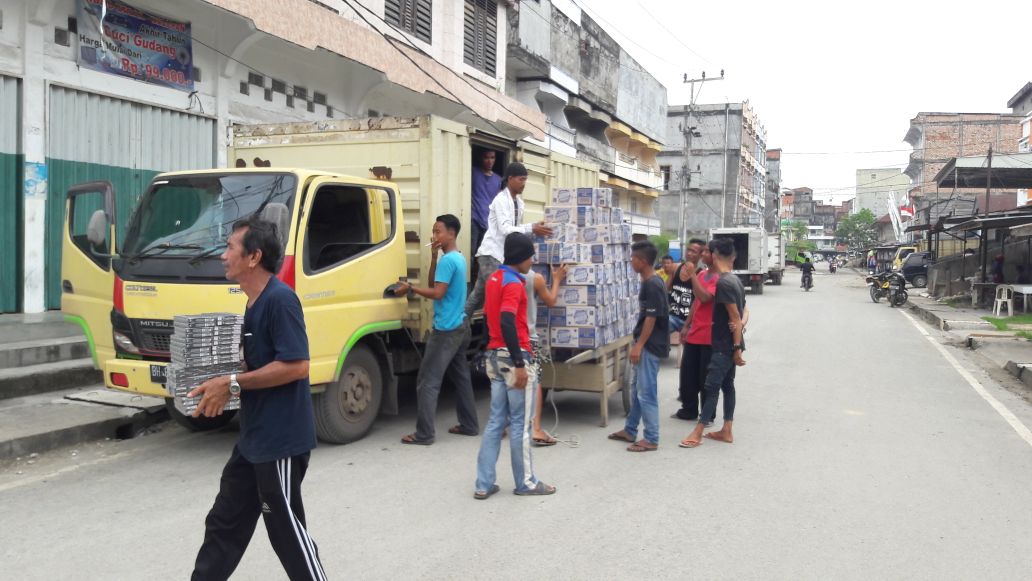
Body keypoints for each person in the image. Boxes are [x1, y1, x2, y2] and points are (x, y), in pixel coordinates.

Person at [188, 216, 327, 581]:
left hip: (279, 442)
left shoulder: (281, 301)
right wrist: (219, 376)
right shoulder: (252, 303)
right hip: (254, 440)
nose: (223, 255)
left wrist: (231, 384)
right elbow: (260, 363)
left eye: (231, 247)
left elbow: (296, 366)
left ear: (253, 257)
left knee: (287, 535)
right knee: (224, 522)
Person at [474, 233, 556, 498]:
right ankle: (527, 482)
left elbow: (490, 318)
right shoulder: (513, 283)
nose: (532, 261)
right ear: (521, 256)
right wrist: (520, 363)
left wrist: (492, 351)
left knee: (496, 422)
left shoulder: (494, 279)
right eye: (530, 256)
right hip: (514, 357)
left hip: (494, 357)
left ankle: (483, 483)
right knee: (521, 424)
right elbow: (508, 321)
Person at [394, 214, 479, 445]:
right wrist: (432, 257)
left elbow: (437, 293)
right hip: (460, 325)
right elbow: (434, 283)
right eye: (433, 232)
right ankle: (470, 425)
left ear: (451, 233)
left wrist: (410, 288)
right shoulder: (457, 258)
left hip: (446, 330)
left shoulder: (449, 261)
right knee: (461, 377)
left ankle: (424, 434)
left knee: (427, 381)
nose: (434, 236)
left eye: (438, 231)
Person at [680, 237, 746, 449]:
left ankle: (698, 432)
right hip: (729, 343)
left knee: (712, 385)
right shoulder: (735, 280)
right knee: (727, 385)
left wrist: (736, 348)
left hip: (723, 345)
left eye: (708, 251)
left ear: (715, 255)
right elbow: (744, 313)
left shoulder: (724, 282)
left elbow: (735, 317)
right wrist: (739, 339)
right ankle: (727, 429)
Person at [465, 162, 552, 317]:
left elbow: (516, 230)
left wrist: (534, 228)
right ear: (510, 179)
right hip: (491, 254)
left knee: (477, 296)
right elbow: (506, 229)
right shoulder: (500, 200)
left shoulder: (520, 203)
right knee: (496, 296)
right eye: (521, 179)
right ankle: (484, 332)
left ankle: (460, 324)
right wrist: (531, 228)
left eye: (525, 180)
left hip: (500, 256)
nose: (524, 183)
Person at [608, 240, 669, 452]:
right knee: (636, 391)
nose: (630, 261)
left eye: (633, 258)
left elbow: (651, 319)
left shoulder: (652, 284)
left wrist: (639, 345)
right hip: (646, 343)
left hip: (650, 346)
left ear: (642, 261)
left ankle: (651, 438)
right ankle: (630, 429)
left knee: (646, 392)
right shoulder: (650, 281)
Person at [674, 242, 718, 422]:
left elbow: (705, 297)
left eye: (706, 251)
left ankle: (706, 415)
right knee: (688, 375)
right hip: (694, 333)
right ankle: (688, 409)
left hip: (709, 336)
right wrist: (686, 326)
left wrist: (692, 275)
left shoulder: (718, 278)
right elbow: (695, 303)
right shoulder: (702, 275)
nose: (702, 254)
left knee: (705, 378)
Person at [526, 263, 569, 447]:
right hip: (528, 337)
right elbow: (551, 301)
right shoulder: (534, 278)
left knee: (505, 380)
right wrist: (557, 279)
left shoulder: (499, 277)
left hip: (504, 339)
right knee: (535, 381)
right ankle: (536, 427)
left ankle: (502, 425)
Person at [667, 239, 706, 334]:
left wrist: (692, 274)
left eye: (693, 252)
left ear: (701, 255)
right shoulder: (676, 268)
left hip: (691, 321)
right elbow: (664, 289)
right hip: (672, 317)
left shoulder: (701, 274)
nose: (689, 253)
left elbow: (700, 299)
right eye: (688, 250)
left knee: (690, 347)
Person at [471, 150, 502, 259]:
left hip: (488, 222)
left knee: (483, 255)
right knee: (471, 251)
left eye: (492, 157)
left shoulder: (498, 180)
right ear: (481, 158)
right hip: (474, 220)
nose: (489, 161)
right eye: (486, 157)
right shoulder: (473, 173)